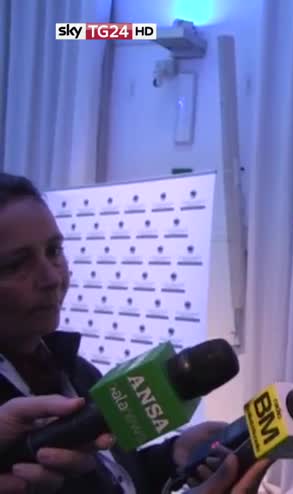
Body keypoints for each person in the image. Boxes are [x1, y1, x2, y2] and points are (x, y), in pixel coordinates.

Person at [0, 172, 235, 493]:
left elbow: (116, 475)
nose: (51, 278)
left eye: (54, 251)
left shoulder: (77, 370)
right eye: (16, 264)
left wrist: (172, 455)